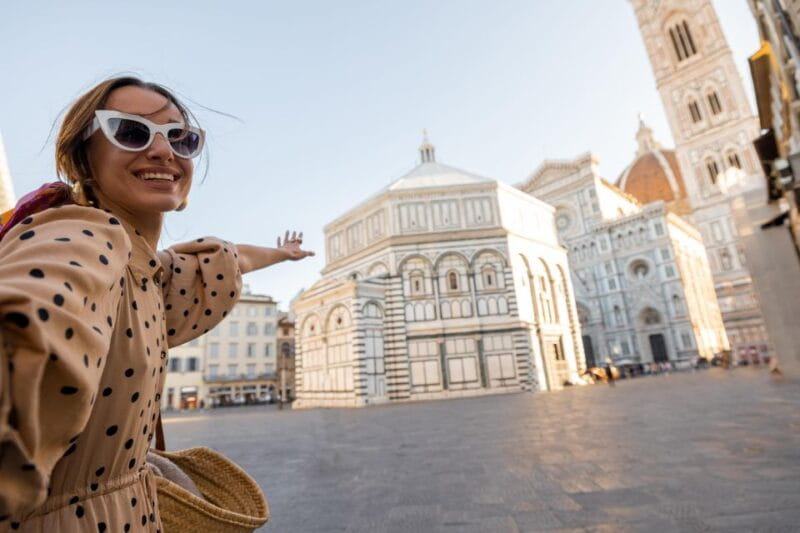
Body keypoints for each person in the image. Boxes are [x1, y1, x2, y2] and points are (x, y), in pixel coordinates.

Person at [0, 76, 314, 531]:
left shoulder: (150, 272)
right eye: (132, 131)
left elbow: (227, 259)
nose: (164, 151)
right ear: (83, 157)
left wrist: (281, 254)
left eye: (180, 137)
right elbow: (38, 302)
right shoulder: (85, 237)